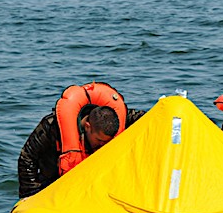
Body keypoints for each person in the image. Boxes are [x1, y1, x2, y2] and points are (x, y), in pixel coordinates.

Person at [18, 81, 146, 198]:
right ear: (88, 127)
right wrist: (30, 195)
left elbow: (147, 119)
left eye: (106, 142)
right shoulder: (51, 127)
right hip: (54, 184)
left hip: (95, 186)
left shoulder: (117, 119)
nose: (102, 145)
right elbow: (27, 158)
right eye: (99, 140)